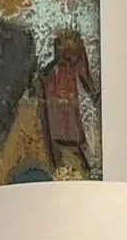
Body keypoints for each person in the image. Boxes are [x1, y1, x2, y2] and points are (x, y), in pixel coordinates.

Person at [40, 31, 98, 176]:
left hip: (67, 134)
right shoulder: (53, 75)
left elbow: (87, 83)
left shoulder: (60, 73)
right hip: (63, 135)